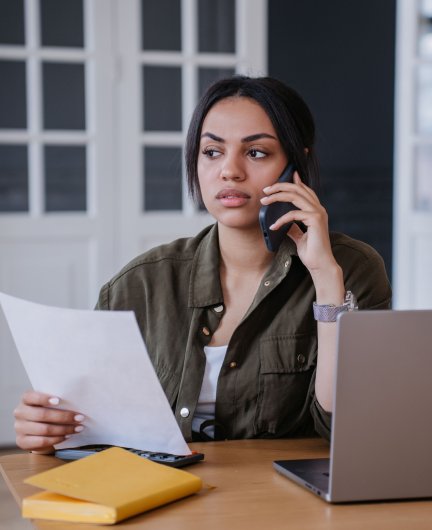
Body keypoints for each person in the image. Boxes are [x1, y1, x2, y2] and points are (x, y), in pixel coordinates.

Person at [13, 76, 391, 453]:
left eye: (256, 152)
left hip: (284, 502)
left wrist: (326, 279)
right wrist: (47, 428)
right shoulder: (139, 284)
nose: (230, 171)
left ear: (296, 166)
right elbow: (92, 431)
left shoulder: (351, 270)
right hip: (164, 498)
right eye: (212, 152)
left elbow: (344, 429)